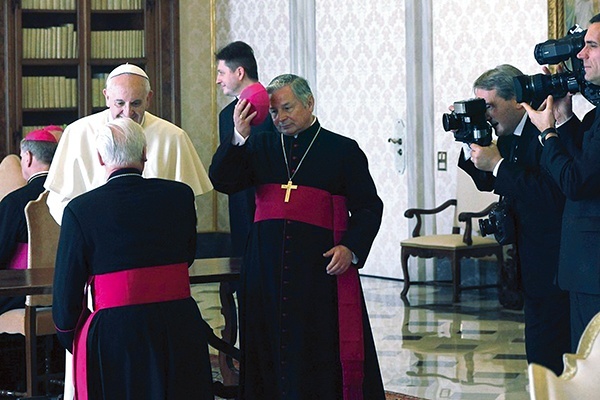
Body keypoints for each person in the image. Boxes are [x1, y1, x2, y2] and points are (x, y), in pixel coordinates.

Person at [209, 74, 385, 399]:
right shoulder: (259, 145)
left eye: (287, 108)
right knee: (266, 347)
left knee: (315, 349)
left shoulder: (342, 150)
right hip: (265, 271)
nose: (280, 118)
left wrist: (351, 247)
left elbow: (368, 208)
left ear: (309, 103)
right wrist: (237, 136)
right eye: (274, 112)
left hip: (317, 273)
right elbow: (222, 180)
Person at [52, 118, 214, 399]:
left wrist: (73, 336)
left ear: (101, 158)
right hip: (180, 322)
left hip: (118, 334)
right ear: (144, 153)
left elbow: (66, 292)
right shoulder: (180, 196)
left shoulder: (80, 210)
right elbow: (188, 255)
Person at [458, 64, 571, 375]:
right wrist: (468, 137)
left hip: (555, 264)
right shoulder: (507, 135)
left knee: (550, 353)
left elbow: (551, 194)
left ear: (517, 100)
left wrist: (498, 165)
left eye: (489, 106)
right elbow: (489, 180)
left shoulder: (546, 133)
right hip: (528, 262)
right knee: (537, 353)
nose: (487, 114)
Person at [44, 63, 213, 223]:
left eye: (136, 103)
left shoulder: (173, 137)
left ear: (148, 99)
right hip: (95, 241)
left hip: (154, 241)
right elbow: (58, 201)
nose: (127, 112)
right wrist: (90, 230)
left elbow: (186, 204)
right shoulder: (78, 133)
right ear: (106, 97)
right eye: (120, 103)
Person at [522, 13, 600, 350]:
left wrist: (547, 133)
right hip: (585, 268)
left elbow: (575, 182)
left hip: (593, 270)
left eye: (591, 46)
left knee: (591, 366)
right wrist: (565, 118)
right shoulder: (596, 115)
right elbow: (585, 166)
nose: (581, 55)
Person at [215, 41, 274, 257]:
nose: (217, 79)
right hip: (240, 209)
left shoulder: (277, 108)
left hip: (271, 208)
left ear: (239, 72)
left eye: (221, 72)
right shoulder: (225, 115)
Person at [0, 129, 58, 315]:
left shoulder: (15, 202)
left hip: (20, 293)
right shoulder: (71, 197)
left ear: (28, 157)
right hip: (63, 291)